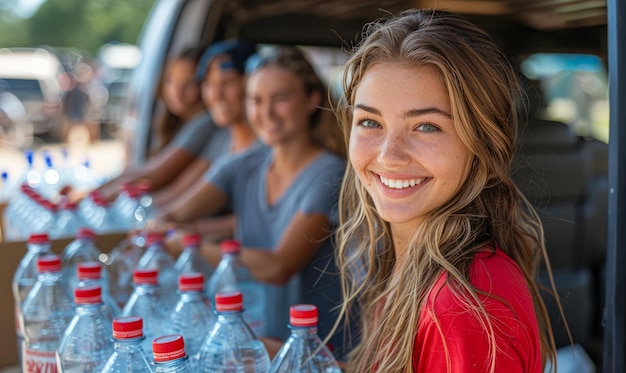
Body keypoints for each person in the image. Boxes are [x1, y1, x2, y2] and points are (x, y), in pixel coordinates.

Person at [333, 9, 559, 372]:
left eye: (426, 127)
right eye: (370, 121)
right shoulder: (416, 268)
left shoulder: (462, 307)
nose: (389, 157)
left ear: (482, 144)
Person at [157, 46, 349, 356]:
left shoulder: (330, 173)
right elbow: (173, 214)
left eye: (281, 98)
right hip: (266, 341)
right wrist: (167, 227)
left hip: (320, 352)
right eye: (256, 100)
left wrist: (190, 244)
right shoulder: (243, 165)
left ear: (312, 99)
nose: (267, 113)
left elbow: (279, 266)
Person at [151, 40, 259, 213]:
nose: (216, 95)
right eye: (208, 83)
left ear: (251, 84)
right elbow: (179, 197)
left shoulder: (266, 146)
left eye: (228, 83)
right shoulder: (222, 138)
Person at [95, 46, 213, 199]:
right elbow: (141, 171)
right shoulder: (183, 122)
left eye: (189, 83)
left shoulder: (204, 122)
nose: (177, 92)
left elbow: (150, 176)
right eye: (171, 81)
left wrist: (95, 197)